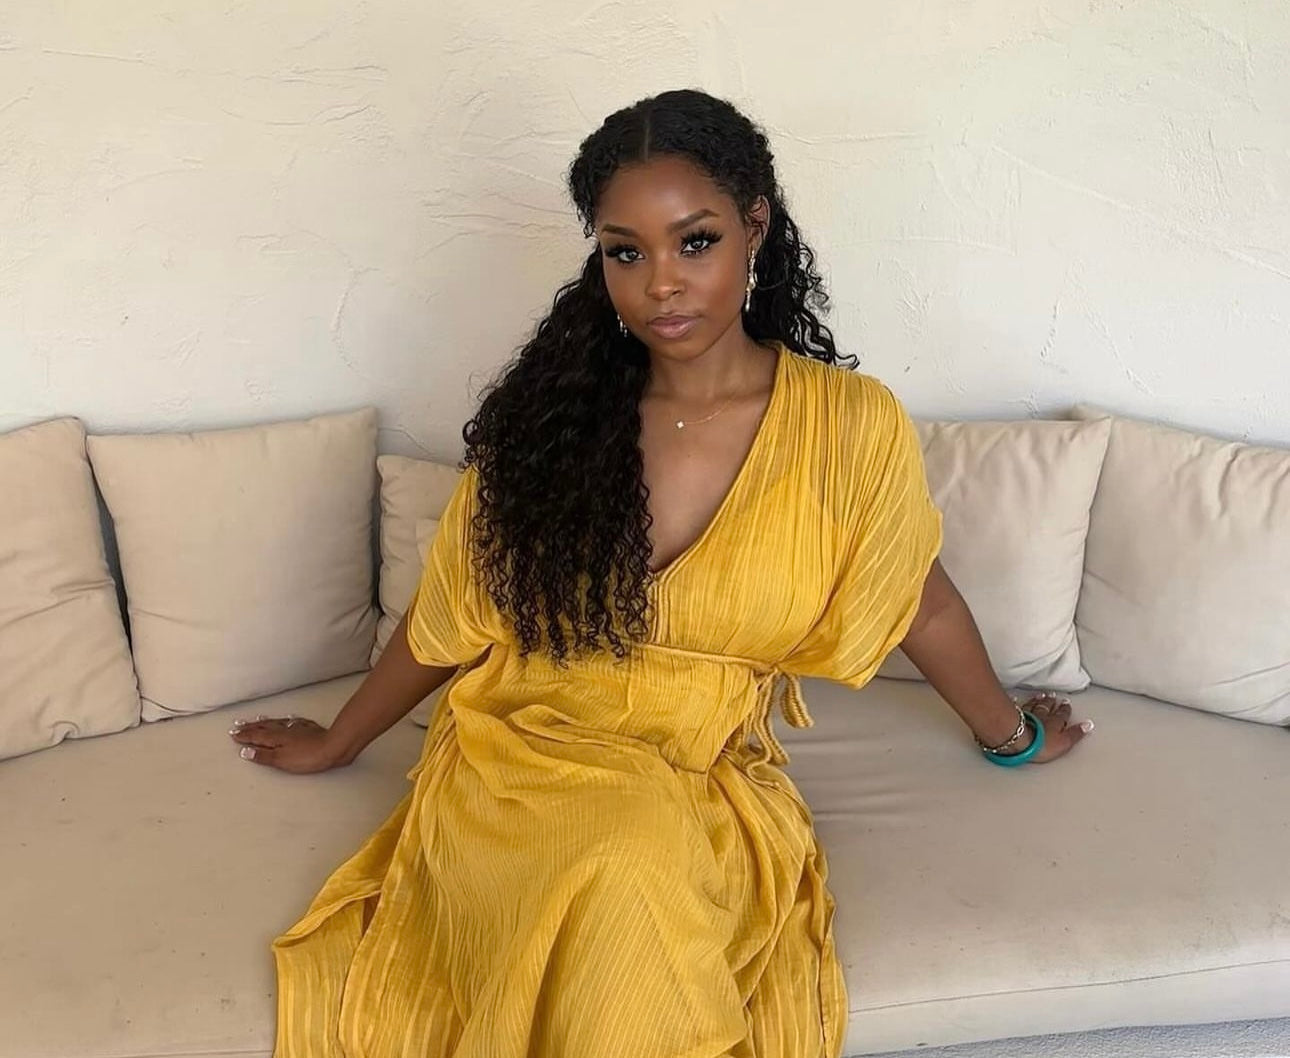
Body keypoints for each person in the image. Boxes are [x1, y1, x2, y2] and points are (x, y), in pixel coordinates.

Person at [230, 88, 1091, 1058]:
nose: (661, 284)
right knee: (620, 865)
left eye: (696, 241)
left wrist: (1011, 734)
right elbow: (449, 619)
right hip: (522, 758)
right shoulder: (553, 421)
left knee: (634, 870)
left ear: (755, 225)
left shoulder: (849, 427)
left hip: (701, 773)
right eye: (625, 252)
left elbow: (917, 600)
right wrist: (341, 740)